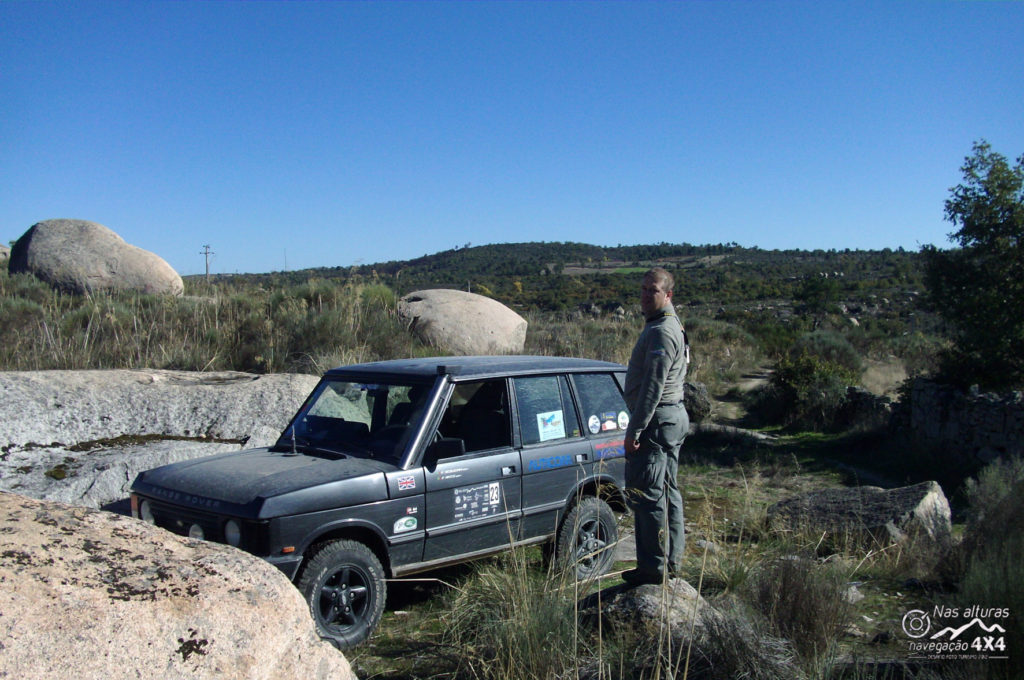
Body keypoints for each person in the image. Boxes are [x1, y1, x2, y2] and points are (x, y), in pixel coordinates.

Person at [622, 267, 690, 585]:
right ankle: (670, 561)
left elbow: (653, 386)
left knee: (648, 494)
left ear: (668, 295)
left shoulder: (662, 330)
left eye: (654, 290)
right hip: (670, 417)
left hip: (657, 421)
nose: (647, 296)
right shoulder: (666, 326)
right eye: (644, 289)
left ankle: (653, 567)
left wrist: (635, 430)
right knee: (667, 489)